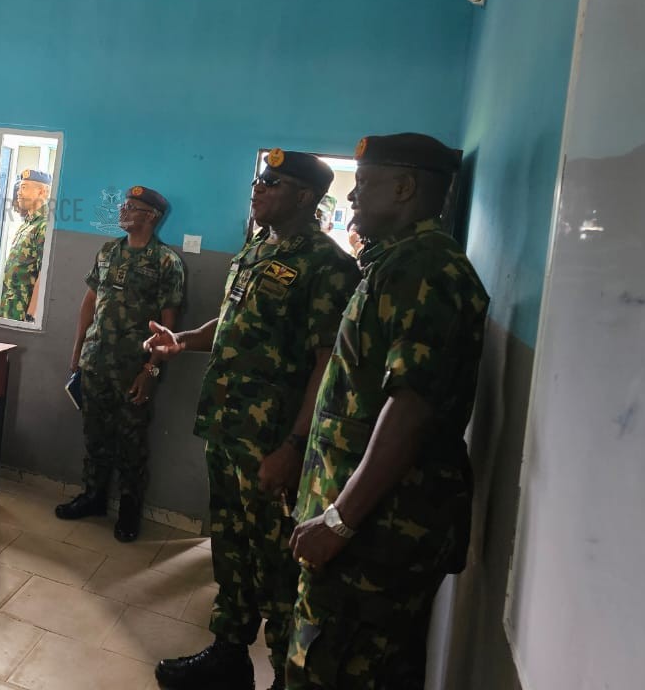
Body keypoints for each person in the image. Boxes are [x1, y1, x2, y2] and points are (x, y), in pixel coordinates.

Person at [147, 150, 357, 690]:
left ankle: (285, 674)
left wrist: (292, 447)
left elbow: (325, 364)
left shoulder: (327, 266)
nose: (258, 190)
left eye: (272, 183)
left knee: (279, 565)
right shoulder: (259, 248)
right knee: (232, 548)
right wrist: (184, 341)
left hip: (271, 444)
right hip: (228, 428)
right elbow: (234, 320)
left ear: (306, 198)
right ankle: (228, 656)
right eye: (259, 181)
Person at [285, 134, 487, 690]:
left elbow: (411, 407)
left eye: (366, 183)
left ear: (404, 187)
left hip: (380, 531)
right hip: (370, 521)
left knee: (333, 666)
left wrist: (340, 519)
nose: (353, 197)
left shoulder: (424, 269)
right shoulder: (395, 262)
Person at [56, 185, 184, 542]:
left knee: (131, 441)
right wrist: (77, 351)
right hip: (96, 361)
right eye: (124, 205)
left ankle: (128, 508)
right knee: (94, 434)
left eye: (132, 206)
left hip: (134, 369)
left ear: (151, 216)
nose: (123, 211)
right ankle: (94, 496)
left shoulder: (166, 262)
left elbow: (168, 325)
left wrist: (152, 371)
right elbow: (88, 304)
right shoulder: (108, 251)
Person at [0, 169, 51, 321]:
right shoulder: (27, 223)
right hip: (10, 306)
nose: (19, 193)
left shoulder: (44, 225)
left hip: (23, 310)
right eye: (20, 187)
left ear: (42, 192)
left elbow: (44, 274)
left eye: (24, 187)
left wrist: (31, 315)